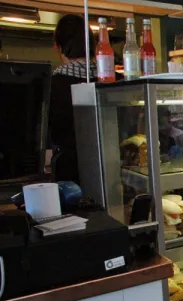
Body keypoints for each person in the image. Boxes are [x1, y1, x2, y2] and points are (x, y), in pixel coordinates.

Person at [49, 14, 97, 183]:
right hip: (115, 169)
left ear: (58, 46)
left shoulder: (51, 85)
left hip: (69, 176)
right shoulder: (115, 80)